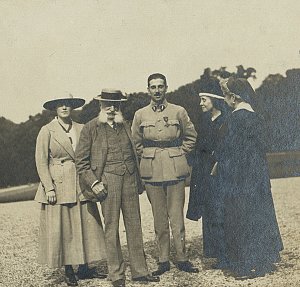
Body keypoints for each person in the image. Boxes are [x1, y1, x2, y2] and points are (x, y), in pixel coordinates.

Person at [75, 89, 159, 287]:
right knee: (111, 228)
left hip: (129, 180)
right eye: (107, 104)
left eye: (116, 104)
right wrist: (94, 183)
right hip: (107, 183)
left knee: (134, 226)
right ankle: (116, 275)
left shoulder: (125, 125)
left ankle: (140, 271)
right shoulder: (90, 128)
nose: (112, 108)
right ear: (100, 106)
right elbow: (81, 161)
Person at [35, 94, 107, 286]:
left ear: (73, 107)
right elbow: (41, 162)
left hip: (81, 181)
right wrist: (49, 187)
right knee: (64, 227)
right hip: (59, 184)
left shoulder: (81, 128)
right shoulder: (47, 130)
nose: (64, 107)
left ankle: (84, 266)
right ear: (55, 108)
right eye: (60, 104)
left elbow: (90, 155)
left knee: (86, 223)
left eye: (68, 104)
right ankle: (68, 269)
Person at [132, 73, 199, 276]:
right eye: (153, 87)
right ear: (148, 90)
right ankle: (163, 259)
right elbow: (136, 141)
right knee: (159, 219)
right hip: (152, 171)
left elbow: (191, 136)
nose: (157, 90)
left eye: (161, 86)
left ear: (166, 88)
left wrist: (179, 153)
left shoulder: (178, 111)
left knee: (176, 218)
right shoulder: (140, 114)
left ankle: (181, 257)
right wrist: (148, 155)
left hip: (175, 168)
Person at [216, 77, 283, 278]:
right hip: (258, 177)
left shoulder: (234, 120)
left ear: (233, 97)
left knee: (239, 217)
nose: (224, 99)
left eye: (225, 95)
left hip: (239, 178)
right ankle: (263, 261)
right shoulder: (257, 117)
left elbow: (227, 151)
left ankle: (243, 266)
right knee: (259, 215)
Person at [186, 91, 227, 263]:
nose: (201, 103)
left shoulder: (226, 120)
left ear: (215, 101)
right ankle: (215, 253)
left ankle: (227, 255)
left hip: (220, 174)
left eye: (204, 100)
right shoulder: (203, 121)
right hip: (204, 174)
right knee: (209, 211)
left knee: (222, 212)